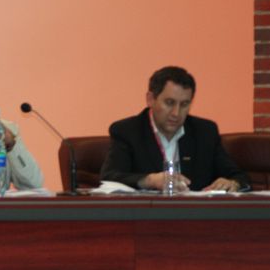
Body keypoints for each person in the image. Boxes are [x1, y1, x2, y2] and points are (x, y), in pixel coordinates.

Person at [100, 66, 250, 192]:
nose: (176, 113)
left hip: (194, 215)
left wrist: (232, 183)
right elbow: (109, 177)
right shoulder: (127, 131)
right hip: (146, 215)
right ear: (150, 99)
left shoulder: (205, 132)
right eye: (169, 103)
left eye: (184, 104)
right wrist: (150, 180)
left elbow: (239, 177)